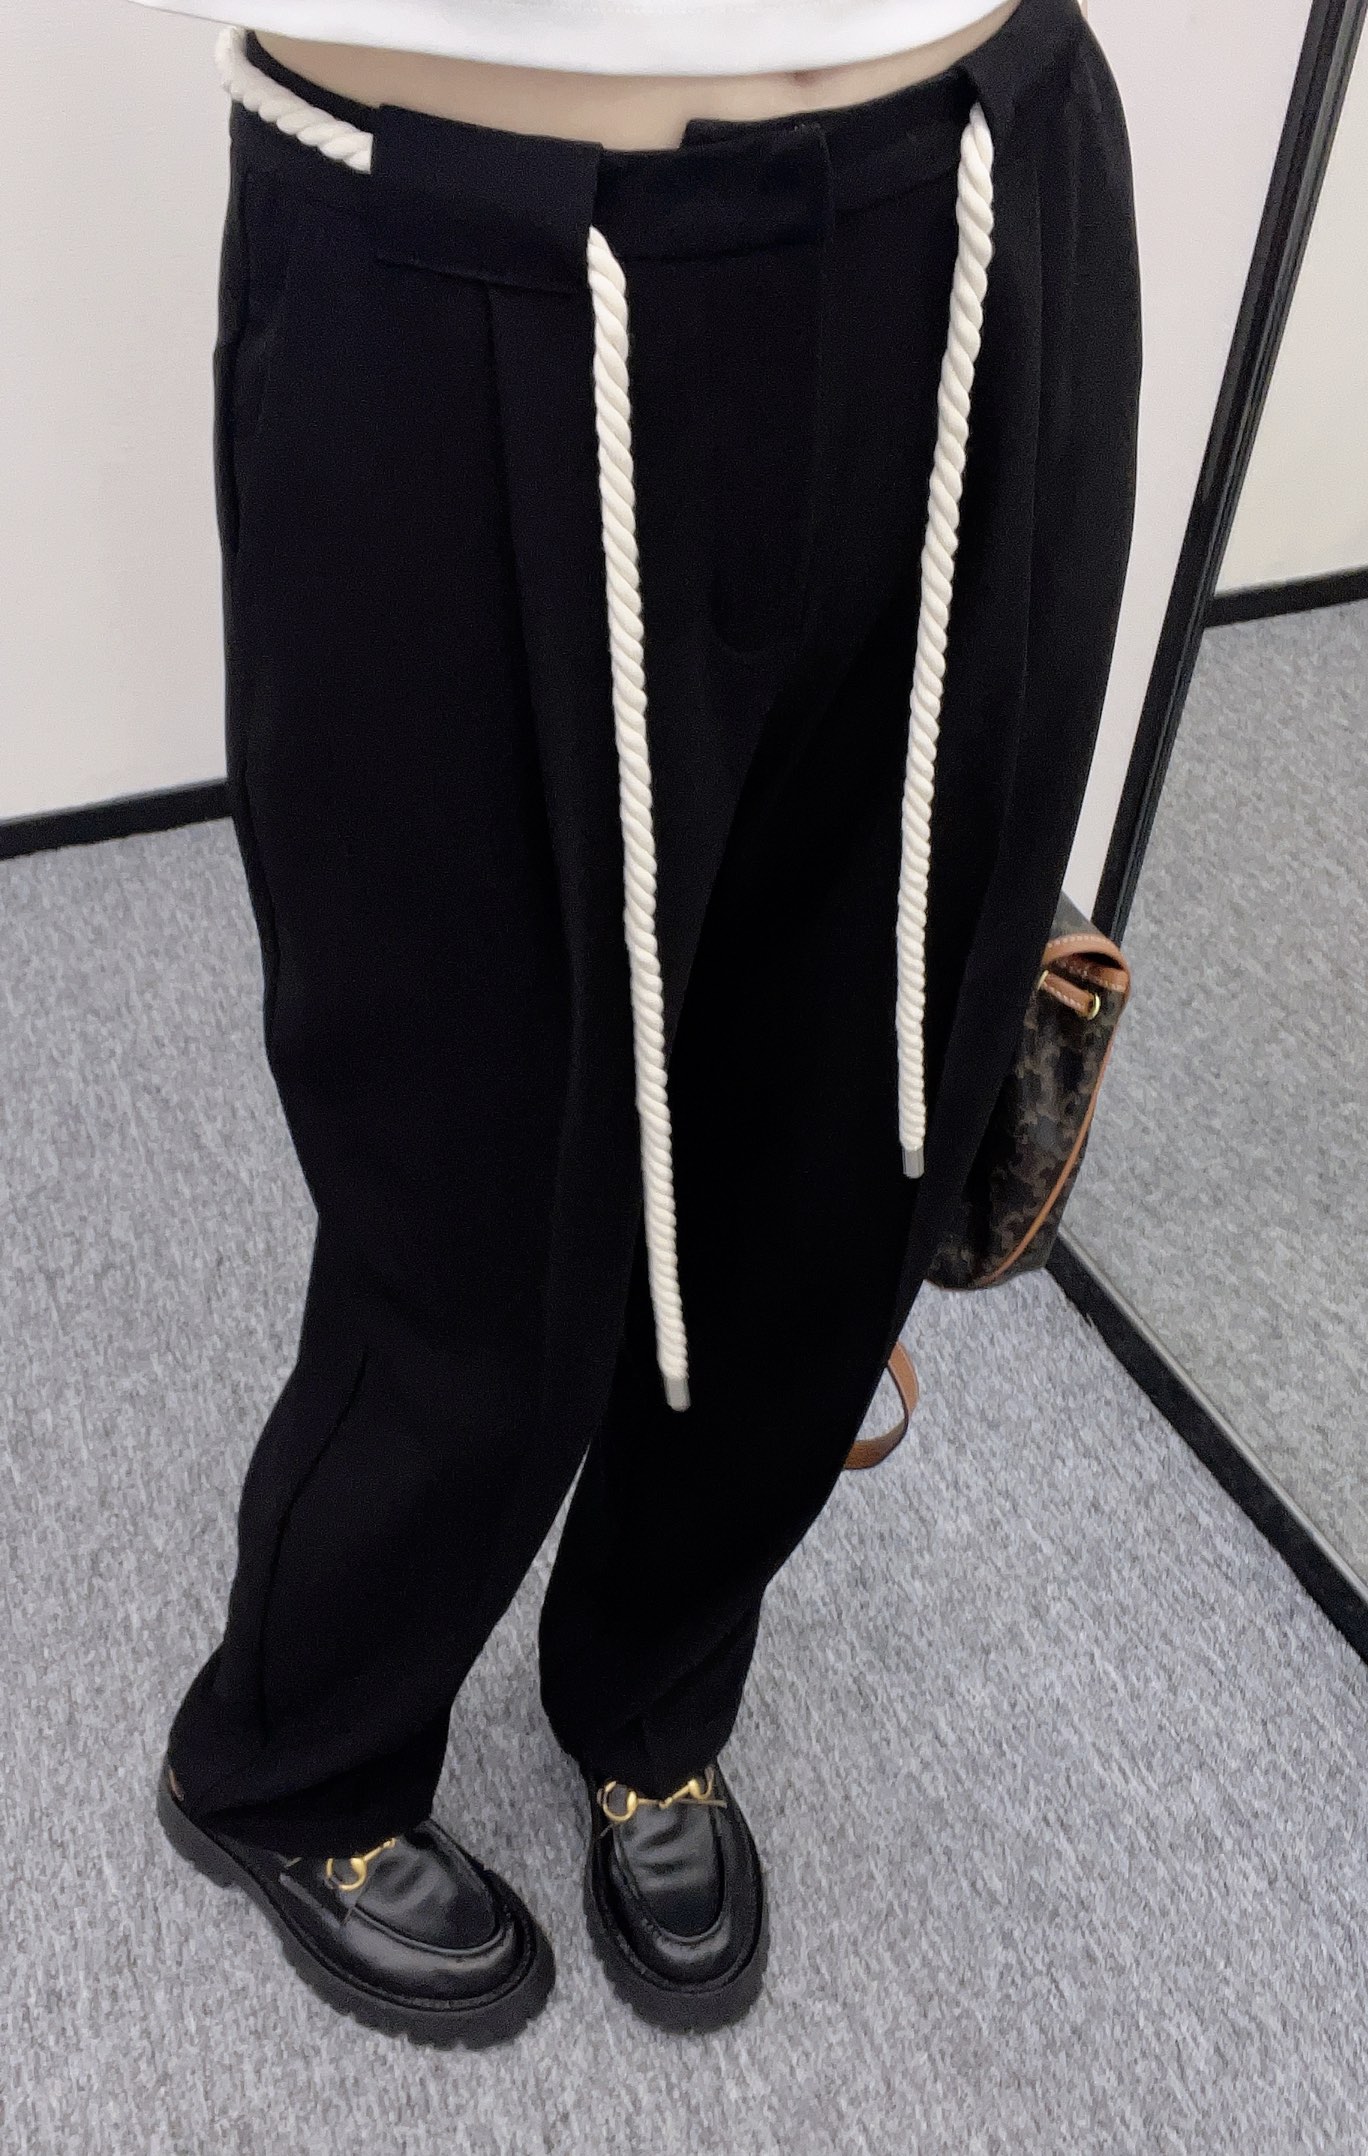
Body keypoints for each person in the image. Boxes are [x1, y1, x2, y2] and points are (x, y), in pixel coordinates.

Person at [136, 0, 1140, 2044]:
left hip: (984, 178)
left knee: (852, 1114)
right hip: (468, 237)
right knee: (469, 1157)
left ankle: (659, 1693)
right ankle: (296, 1750)